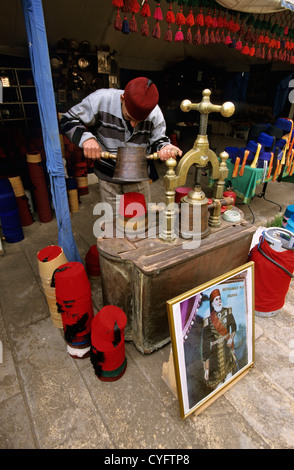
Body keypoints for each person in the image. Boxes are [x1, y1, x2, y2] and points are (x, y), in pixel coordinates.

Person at [60, 77, 182, 219]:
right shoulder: (101, 99)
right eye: (129, 117)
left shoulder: (154, 111)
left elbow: (158, 140)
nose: (134, 125)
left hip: (138, 176)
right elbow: (67, 119)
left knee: (140, 222)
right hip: (108, 176)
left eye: (139, 121)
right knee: (113, 223)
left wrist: (165, 147)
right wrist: (86, 139)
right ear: (122, 98)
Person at [202, 288, 237, 390]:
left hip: (227, 350)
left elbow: (233, 327)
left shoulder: (228, 311)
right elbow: (205, 345)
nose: (219, 301)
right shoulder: (208, 321)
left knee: (229, 376)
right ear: (212, 303)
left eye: (219, 298)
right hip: (214, 355)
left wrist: (231, 338)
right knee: (217, 385)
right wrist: (207, 368)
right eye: (216, 299)